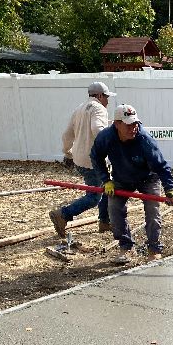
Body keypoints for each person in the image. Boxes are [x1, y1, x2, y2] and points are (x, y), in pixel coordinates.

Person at [90, 104, 173, 265]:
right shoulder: (106, 137)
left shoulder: (145, 140)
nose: (133, 128)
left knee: (152, 211)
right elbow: (95, 156)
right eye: (129, 125)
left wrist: (169, 189)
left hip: (148, 178)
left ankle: (154, 249)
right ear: (117, 124)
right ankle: (126, 247)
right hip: (121, 178)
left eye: (135, 123)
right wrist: (106, 180)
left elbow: (161, 166)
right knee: (114, 209)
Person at [49, 81, 115, 237]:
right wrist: (112, 147)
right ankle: (63, 214)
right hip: (93, 161)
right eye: (106, 97)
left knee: (107, 188)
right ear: (99, 96)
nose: (108, 101)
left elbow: (67, 134)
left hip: (80, 159)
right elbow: (98, 129)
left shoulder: (79, 109)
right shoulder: (99, 108)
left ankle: (105, 221)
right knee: (94, 197)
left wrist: (67, 152)